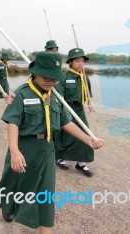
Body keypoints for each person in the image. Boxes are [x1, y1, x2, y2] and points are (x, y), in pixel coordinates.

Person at [0, 51, 105, 234]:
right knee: (16, 182)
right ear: (35, 73)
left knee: (46, 195)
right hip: (25, 148)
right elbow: (13, 122)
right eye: (46, 77)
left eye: (54, 78)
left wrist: (88, 139)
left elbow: (65, 122)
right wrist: (14, 151)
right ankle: (9, 206)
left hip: (47, 150)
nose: (50, 81)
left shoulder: (55, 96)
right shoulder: (21, 94)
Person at [54, 48, 95, 176]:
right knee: (66, 135)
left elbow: (87, 93)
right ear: (70, 62)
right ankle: (61, 158)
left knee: (85, 133)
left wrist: (90, 102)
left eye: (82, 61)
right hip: (67, 109)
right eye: (77, 61)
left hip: (79, 110)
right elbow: (59, 95)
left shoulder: (84, 78)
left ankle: (81, 163)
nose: (80, 63)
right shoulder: (64, 76)